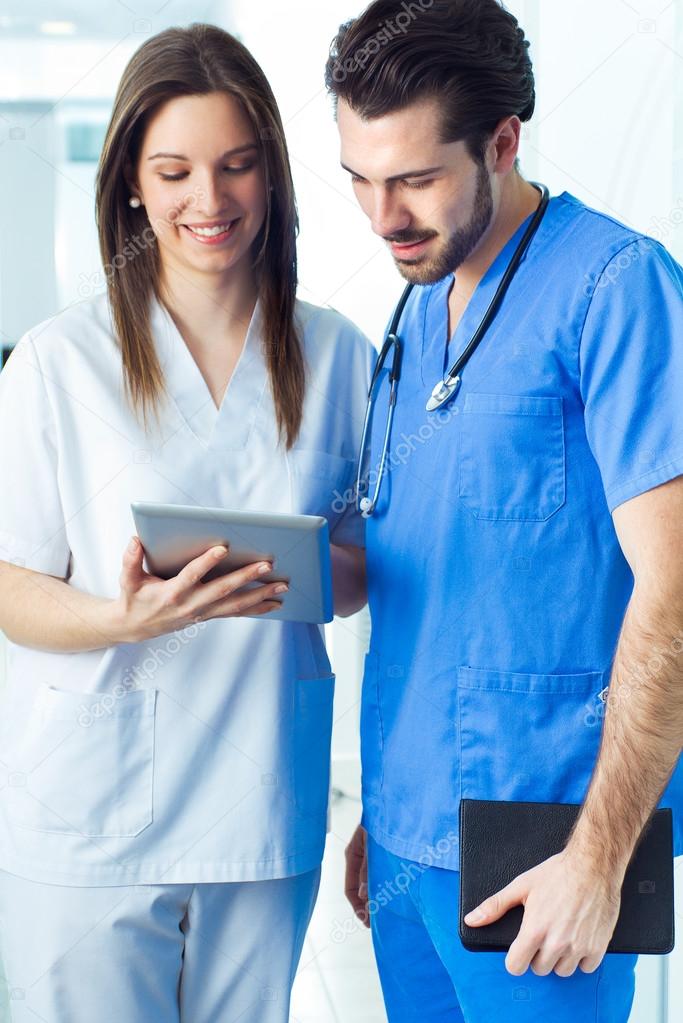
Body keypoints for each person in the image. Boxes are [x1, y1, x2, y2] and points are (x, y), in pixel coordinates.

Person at [0, 22, 372, 1023]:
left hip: (259, 806)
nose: (207, 202)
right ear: (129, 181)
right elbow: (9, 584)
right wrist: (127, 621)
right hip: (89, 806)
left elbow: (366, 566)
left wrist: (283, 576)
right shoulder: (55, 361)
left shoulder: (337, 357)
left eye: (237, 166)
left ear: (272, 176)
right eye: (173, 171)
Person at [324, 1, 683, 1020]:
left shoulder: (615, 289)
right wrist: (385, 817)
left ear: (502, 140)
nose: (382, 215)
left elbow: (673, 588)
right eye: (359, 180)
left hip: (545, 855)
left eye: (414, 180)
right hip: (408, 844)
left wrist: (596, 859)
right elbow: (435, 575)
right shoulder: (413, 305)